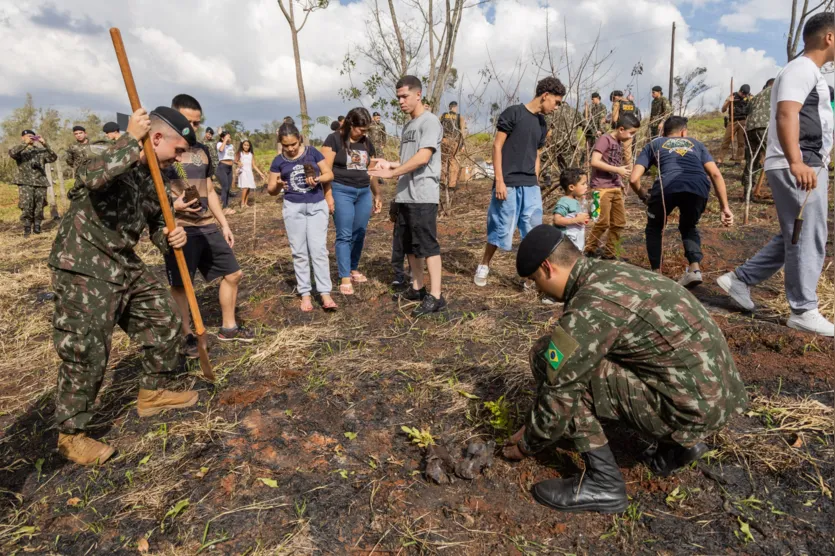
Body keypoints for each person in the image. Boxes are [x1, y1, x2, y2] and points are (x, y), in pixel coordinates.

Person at [503, 225, 747, 513]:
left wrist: (528, 442)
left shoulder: (589, 307)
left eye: (535, 280)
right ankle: (678, 446)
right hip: (719, 397)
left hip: (690, 410)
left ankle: (603, 483)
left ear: (547, 268)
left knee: (549, 360)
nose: (538, 290)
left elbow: (560, 392)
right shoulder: (612, 272)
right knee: (587, 359)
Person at [48, 107, 200, 465]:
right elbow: (93, 177)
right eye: (177, 150)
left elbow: (157, 225)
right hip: (83, 261)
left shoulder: (155, 180)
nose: (179, 159)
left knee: (164, 317)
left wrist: (171, 235)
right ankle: (71, 434)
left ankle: (152, 393)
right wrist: (131, 138)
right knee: (87, 349)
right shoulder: (108, 152)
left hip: (123, 260)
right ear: (157, 138)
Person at [718, 13, 835, 337]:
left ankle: (740, 279)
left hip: (806, 161)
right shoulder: (801, 69)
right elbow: (787, 114)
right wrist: (797, 162)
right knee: (807, 234)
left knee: (793, 234)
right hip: (798, 163)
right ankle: (803, 309)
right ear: (829, 37)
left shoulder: (812, 73)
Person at [165, 94, 253, 349]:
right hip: (179, 228)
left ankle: (229, 327)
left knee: (234, 273)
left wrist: (223, 223)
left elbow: (210, 189)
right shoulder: (159, 151)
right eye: (187, 122)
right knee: (182, 285)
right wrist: (174, 207)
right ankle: (186, 334)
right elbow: (149, 198)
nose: (192, 128)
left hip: (206, 225)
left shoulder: (202, 151)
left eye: (196, 123)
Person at [473, 76, 565, 288]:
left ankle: (530, 277)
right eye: (556, 102)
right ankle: (484, 264)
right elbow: (497, 147)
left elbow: (536, 153)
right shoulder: (513, 113)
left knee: (533, 230)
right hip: (508, 182)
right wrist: (499, 181)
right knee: (501, 227)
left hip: (530, 184)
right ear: (545, 96)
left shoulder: (542, 123)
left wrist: (535, 179)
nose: (557, 107)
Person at [369, 75, 446, 316]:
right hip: (405, 195)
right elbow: (408, 160)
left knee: (427, 244)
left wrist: (394, 173)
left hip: (423, 194)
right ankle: (418, 287)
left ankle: (436, 296)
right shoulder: (408, 126)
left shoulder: (430, 122)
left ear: (418, 94)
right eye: (398, 97)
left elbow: (423, 157)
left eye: (404, 96)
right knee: (410, 246)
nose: (401, 101)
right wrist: (389, 165)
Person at [630, 116, 734, 287]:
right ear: (684, 132)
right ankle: (694, 269)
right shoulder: (696, 144)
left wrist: (643, 195)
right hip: (698, 187)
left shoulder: (654, 144)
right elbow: (715, 174)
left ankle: (656, 273)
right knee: (688, 226)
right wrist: (725, 207)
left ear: (663, 132)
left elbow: (634, 179)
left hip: (667, 187)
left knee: (655, 227)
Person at [268, 122, 337, 312]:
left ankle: (324, 293)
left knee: (318, 250)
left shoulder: (312, 152)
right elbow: (270, 189)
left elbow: (329, 174)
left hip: (316, 205)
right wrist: (279, 185)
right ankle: (305, 293)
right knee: (299, 251)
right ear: (281, 143)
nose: (290, 149)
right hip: (293, 208)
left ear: (299, 139)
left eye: (293, 144)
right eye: (286, 145)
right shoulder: (278, 161)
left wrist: (317, 179)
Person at [322, 107, 383, 295]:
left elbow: (371, 172)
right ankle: (344, 276)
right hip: (341, 191)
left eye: (366, 130)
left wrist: (377, 194)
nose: (363, 133)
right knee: (344, 234)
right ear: (350, 124)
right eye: (360, 129)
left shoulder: (367, 143)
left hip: (363, 192)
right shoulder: (334, 140)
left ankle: (353, 267)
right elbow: (325, 170)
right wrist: (328, 195)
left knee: (360, 232)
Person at [584, 113, 640, 259]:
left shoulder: (619, 143)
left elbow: (612, 163)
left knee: (619, 222)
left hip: (614, 187)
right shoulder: (605, 139)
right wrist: (618, 170)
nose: (631, 137)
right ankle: (589, 250)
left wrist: (619, 180)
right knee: (601, 221)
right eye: (631, 133)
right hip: (599, 188)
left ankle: (610, 253)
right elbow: (594, 161)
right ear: (621, 129)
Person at [9, 129, 57, 237]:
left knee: (40, 205)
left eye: (32, 136)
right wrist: (24, 144)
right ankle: (27, 227)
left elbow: (53, 157)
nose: (30, 138)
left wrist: (45, 144)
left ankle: (37, 226)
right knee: (27, 204)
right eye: (27, 136)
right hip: (25, 182)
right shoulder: (20, 151)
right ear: (23, 138)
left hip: (40, 182)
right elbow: (12, 153)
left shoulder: (40, 151)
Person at [742, 79, 774, 197]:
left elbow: (746, 111)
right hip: (765, 127)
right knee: (774, 156)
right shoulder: (776, 90)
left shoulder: (755, 97)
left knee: (752, 160)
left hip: (750, 128)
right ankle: (778, 190)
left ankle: (747, 192)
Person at [552, 168, 589, 252]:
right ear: (571, 187)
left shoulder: (575, 201)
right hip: (566, 244)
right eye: (583, 184)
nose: (586, 186)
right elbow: (557, 220)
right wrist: (576, 220)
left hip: (576, 243)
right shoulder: (564, 201)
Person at [717, 84, 752, 164]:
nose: (743, 96)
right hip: (733, 121)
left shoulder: (750, 97)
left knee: (741, 142)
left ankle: (738, 160)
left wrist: (750, 100)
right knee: (726, 140)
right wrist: (729, 101)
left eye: (745, 94)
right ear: (740, 91)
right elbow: (723, 109)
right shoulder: (732, 95)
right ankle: (720, 160)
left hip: (743, 121)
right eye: (742, 94)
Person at [440, 101, 466, 191]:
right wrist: (462, 144)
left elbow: (438, 126)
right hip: (454, 141)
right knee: (453, 161)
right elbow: (462, 132)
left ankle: (442, 182)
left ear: (449, 107)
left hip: (443, 140)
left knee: (443, 161)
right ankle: (452, 185)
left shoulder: (443, 116)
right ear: (455, 107)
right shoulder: (460, 117)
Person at [236, 139, 266, 209]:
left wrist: (260, 173)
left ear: (249, 146)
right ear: (242, 145)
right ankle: (242, 203)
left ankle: (246, 203)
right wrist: (238, 163)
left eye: (247, 145)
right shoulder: (240, 153)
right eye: (245, 145)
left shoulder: (251, 155)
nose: (246, 147)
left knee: (248, 187)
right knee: (245, 187)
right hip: (243, 172)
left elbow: (254, 165)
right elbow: (235, 160)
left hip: (249, 172)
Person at [584, 93, 608, 161]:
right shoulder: (591, 107)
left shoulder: (602, 107)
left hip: (598, 132)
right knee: (589, 149)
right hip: (591, 131)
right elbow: (586, 118)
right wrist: (586, 107)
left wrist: (601, 130)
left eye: (593, 99)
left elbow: (602, 120)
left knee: (597, 149)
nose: (592, 101)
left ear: (597, 98)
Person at [216, 131, 235, 213]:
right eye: (227, 137)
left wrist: (237, 163)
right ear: (222, 138)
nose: (229, 139)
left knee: (228, 188)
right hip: (222, 167)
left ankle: (226, 206)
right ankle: (223, 206)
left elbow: (231, 157)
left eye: (229, 137)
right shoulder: (220, 144)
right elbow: (221, 150)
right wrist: (224, 140)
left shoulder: (231, 146)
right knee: (225, 186)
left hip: (230, 168)